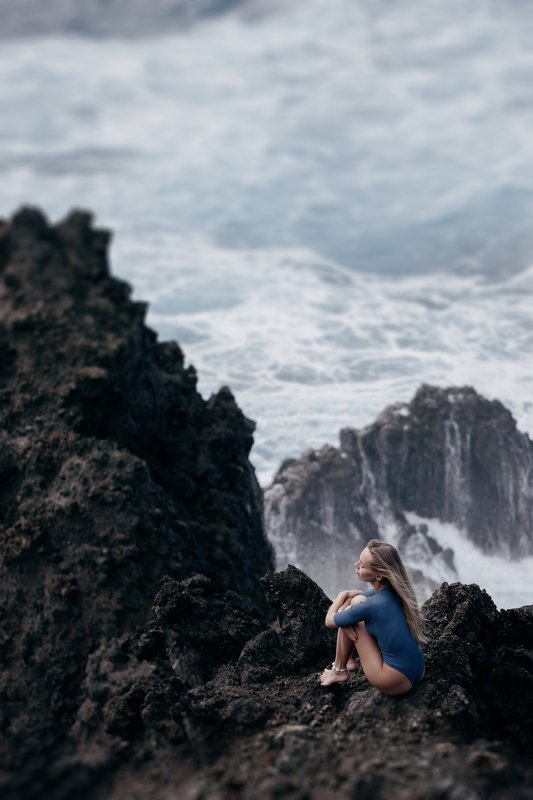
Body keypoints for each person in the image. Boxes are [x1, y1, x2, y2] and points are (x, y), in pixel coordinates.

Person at [320, 539, 426, 696]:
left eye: (362, 565)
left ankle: (339, 670)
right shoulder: (397, 591)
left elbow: (329, 621)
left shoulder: (372, 606)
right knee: (352, 606)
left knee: (350, 614)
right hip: (418, 670)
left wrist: (340, 596)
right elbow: (358, 598)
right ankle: (347, 662)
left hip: (393, 680)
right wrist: (349, 603)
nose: (356, 565)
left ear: (379, 576)